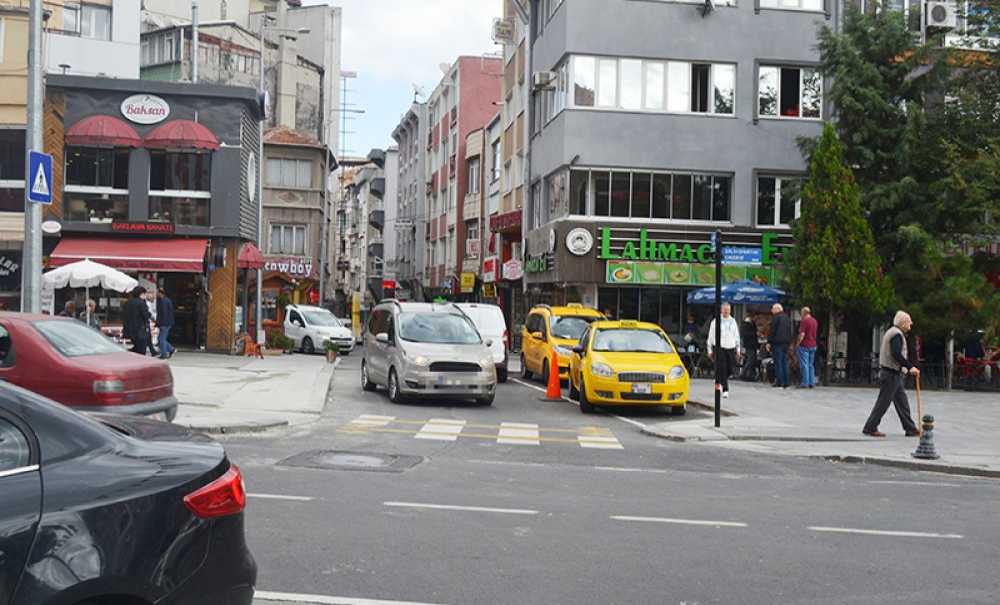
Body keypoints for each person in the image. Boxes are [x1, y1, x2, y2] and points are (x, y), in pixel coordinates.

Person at [863, 311, 921, 438]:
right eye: (909, 323)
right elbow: (896, 354)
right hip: (891, 373)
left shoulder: (893, 332)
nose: (910, 326)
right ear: (903, 323)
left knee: (902, 402)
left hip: (894, 374)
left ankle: (910, 428)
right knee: (883, 402)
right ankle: (870, 427)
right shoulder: (896, 334)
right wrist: (910, 367)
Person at [706, 303, 742, 398]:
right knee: (722, 367)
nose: (726, 311)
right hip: (719, 347)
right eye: (724, 309)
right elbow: (711, 336)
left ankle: (719, 379)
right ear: (721, 310)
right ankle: (725, 389)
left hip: (731, 347)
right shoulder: (715, 321)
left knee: (731, 368)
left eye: (728, 310)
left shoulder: (733, 321)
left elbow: (736, 336)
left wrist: (738, 349)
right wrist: (709, 349)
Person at [767, 303, 793, 388]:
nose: (771, 310)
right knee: (785, 362)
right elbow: (790, 331)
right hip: (786, 343)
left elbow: (772, 330)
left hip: (777, 343)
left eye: (773, 309)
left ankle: (779, 381)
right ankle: (786, 382)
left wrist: (769, 342)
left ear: (778, 309)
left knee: (778, 363)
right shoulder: (787, 318)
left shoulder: (776, 318)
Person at [124, 287, 151, 355]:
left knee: (136, 349)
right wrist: (149, 314)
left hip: (130, 330)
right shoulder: (141, 303)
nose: (145, 295)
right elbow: (146, 315)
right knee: (141, 351)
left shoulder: (128, 302)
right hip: (140, 330)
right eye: (144, 294)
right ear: (141, 294)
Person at [797, 306, 819, 388]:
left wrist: (798, 343)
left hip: (804, 345)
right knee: (811, 365)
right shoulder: (814, 321)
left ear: (804, 313)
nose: (801, 314)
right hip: (813, 344)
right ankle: (811, 382)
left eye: (801, 313)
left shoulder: (804, 321)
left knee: (804, 365)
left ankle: (805, 382)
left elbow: (802, 334)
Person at [156, 289, 176, 359]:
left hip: (165, 323)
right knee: (161, 339)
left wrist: (161, 324)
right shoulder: (166, 300)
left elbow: (164, 313)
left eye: (157, 293)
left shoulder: (163, 301)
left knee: (161, 339)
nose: (156, 294)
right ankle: (171, 349)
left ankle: (164, 354)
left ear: (161, 293)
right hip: (167, 323)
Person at [740, 316, 759, 381]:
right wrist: (755, 334)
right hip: (750, 345)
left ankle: (750, 375)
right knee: (750, 360)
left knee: (752, 360)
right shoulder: (746, 325)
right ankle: (744, 373)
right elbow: (746, 334)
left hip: (751, 344)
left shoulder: (749, 324)